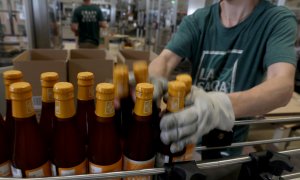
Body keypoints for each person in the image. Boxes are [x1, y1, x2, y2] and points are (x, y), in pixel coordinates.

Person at [148, 0, 298, 159]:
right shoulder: (199, 20)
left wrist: (218, 107)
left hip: (228, 145)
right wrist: (152, 82)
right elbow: (165, 59)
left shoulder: (275, 20)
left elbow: (282, 86)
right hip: (185, 134)